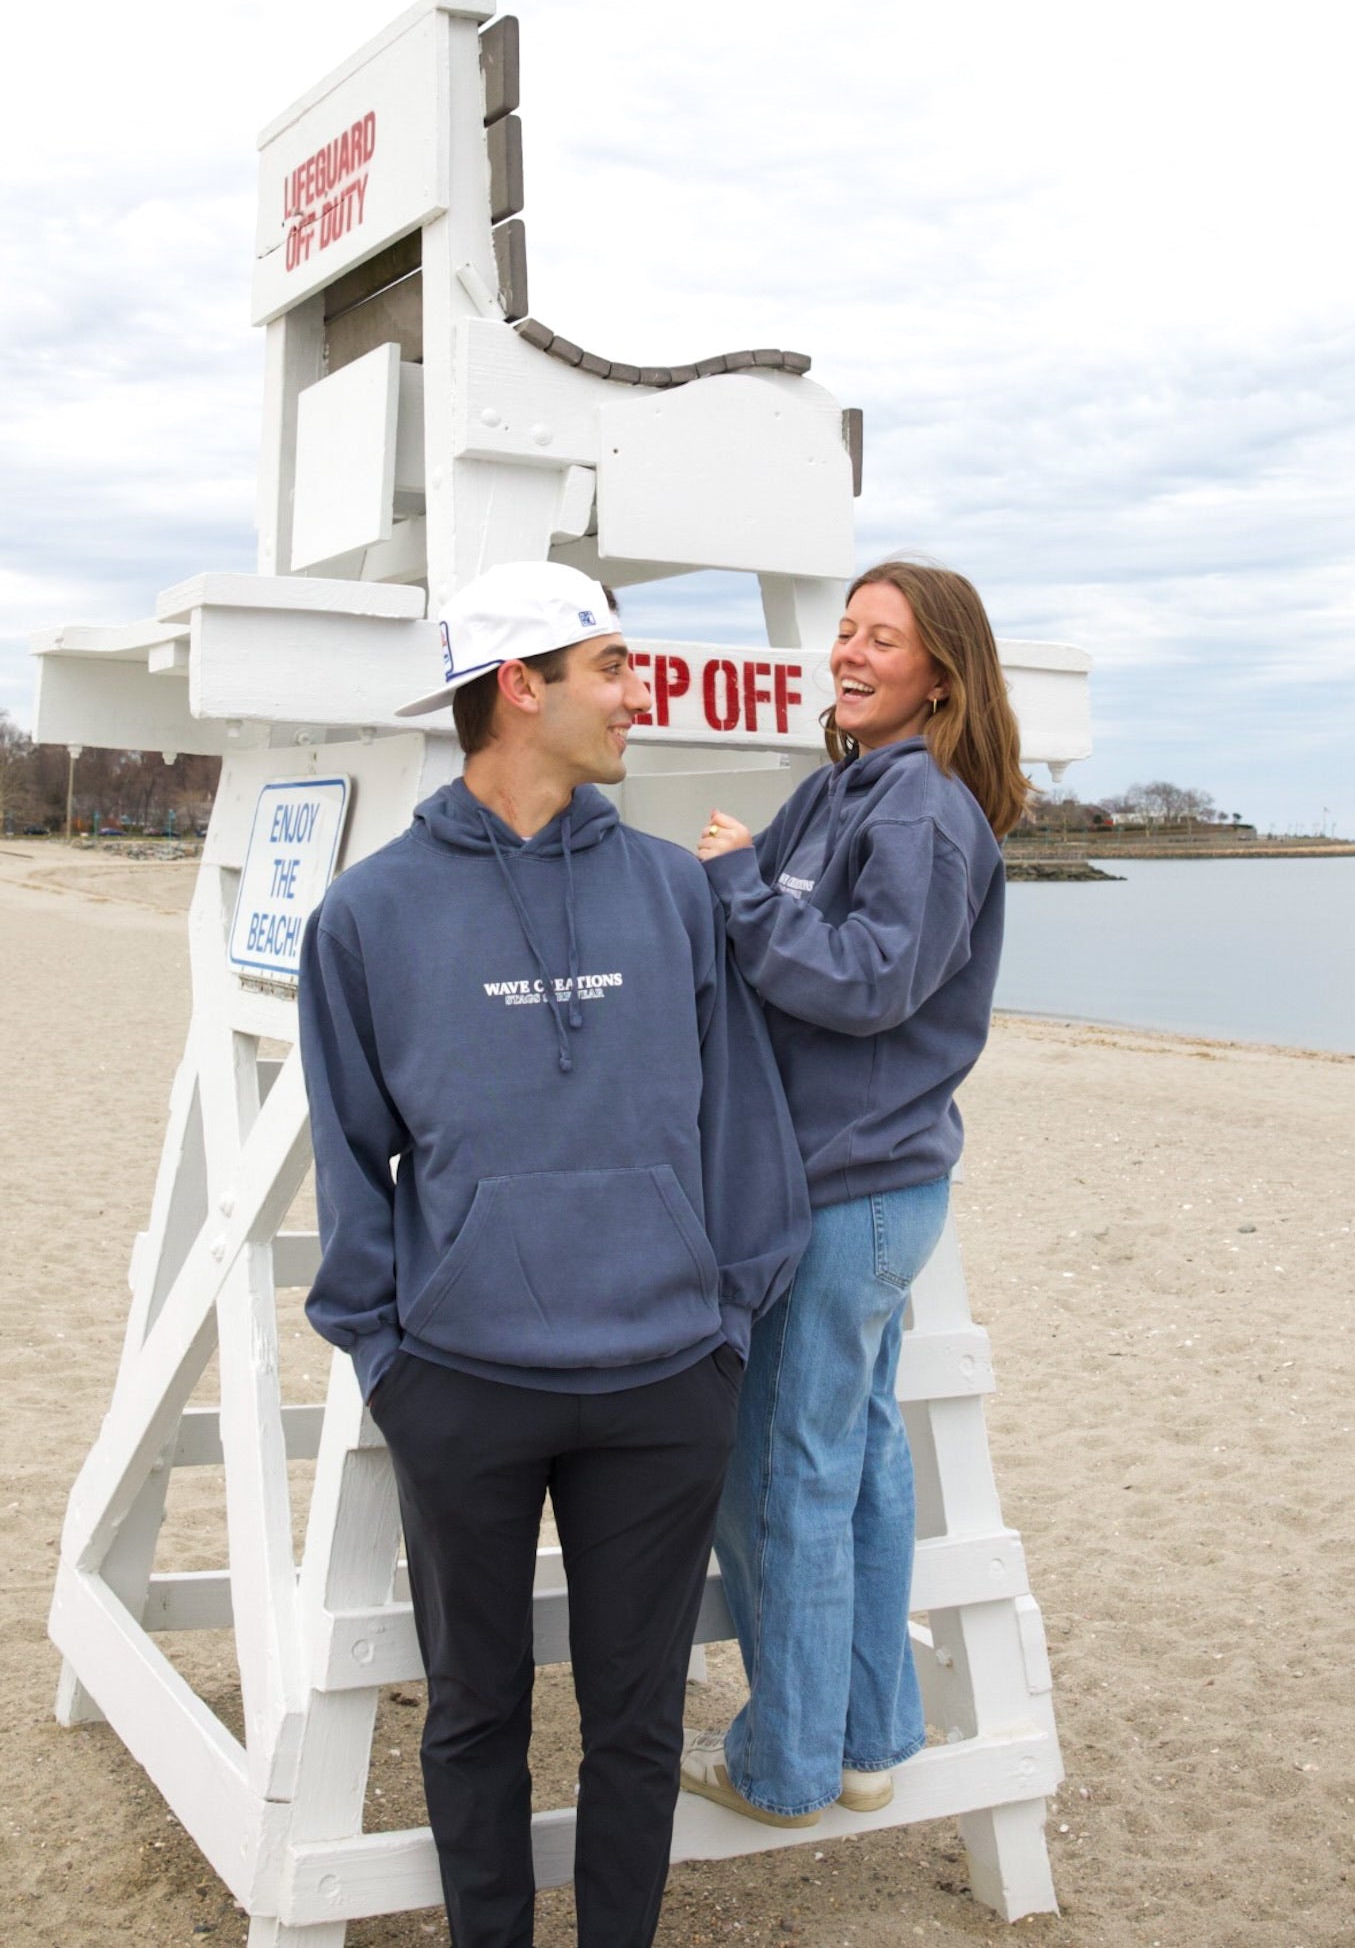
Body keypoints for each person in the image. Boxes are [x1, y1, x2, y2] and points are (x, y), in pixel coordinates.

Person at [299, 560, 810, 1948]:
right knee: (473, 1713)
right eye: (612, 667)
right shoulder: (367, 917)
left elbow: (743, 1124)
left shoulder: (673, 892)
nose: (637, 695)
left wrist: (726, 1323)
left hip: (664, 1380)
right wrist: (387, 1354)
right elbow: (348, 1158)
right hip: (461, 1381)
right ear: (520, 688)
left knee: (637, 1721)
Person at [681, 558, 1029, 1827]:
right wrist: (729, 882)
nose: (851, 651)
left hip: (852, 1194)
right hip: (858, 1184)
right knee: (861, 1459)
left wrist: (734, 884)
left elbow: (874, 978)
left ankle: (786, 1762)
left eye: (882, 638)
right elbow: (750, 907)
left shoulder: (924, 813)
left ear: (941, 670)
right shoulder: (842, 788)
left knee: (786, 1472)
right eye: (844, 630)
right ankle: (872, 1735)